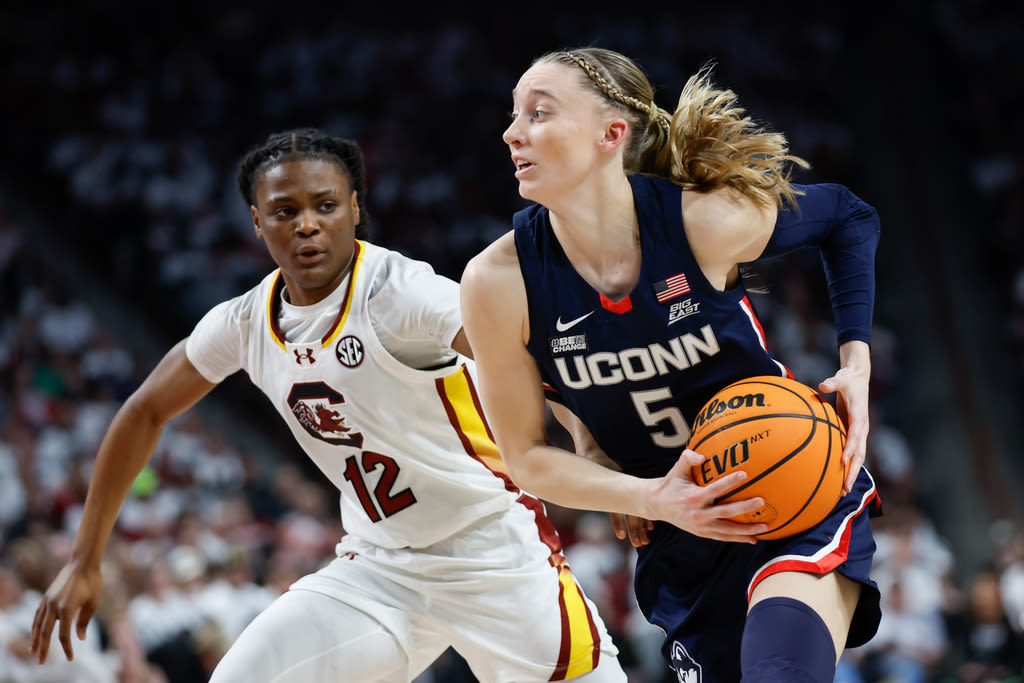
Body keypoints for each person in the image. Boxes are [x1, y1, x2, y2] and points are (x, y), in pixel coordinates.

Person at [29, 128, 626, 683]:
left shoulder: (400, 292)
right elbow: (144, 412)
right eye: (286, 211)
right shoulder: (242, 322)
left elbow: (532, 360)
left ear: (355, 209)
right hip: (378, 568)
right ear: (258, 223)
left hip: (489, 551)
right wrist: (85, 558)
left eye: (325, 205)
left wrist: (593, 448)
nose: (307, 225)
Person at [460, 47, 884, 683]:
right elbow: (524, 457)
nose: (512, 132)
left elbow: (848, 217)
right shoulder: (496, 282)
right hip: (678, 536)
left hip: (791, 489)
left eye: (539, 113)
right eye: (514, 115)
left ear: (611, 135)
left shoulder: (700, 223)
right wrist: (643, 490)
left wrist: (856, 362)